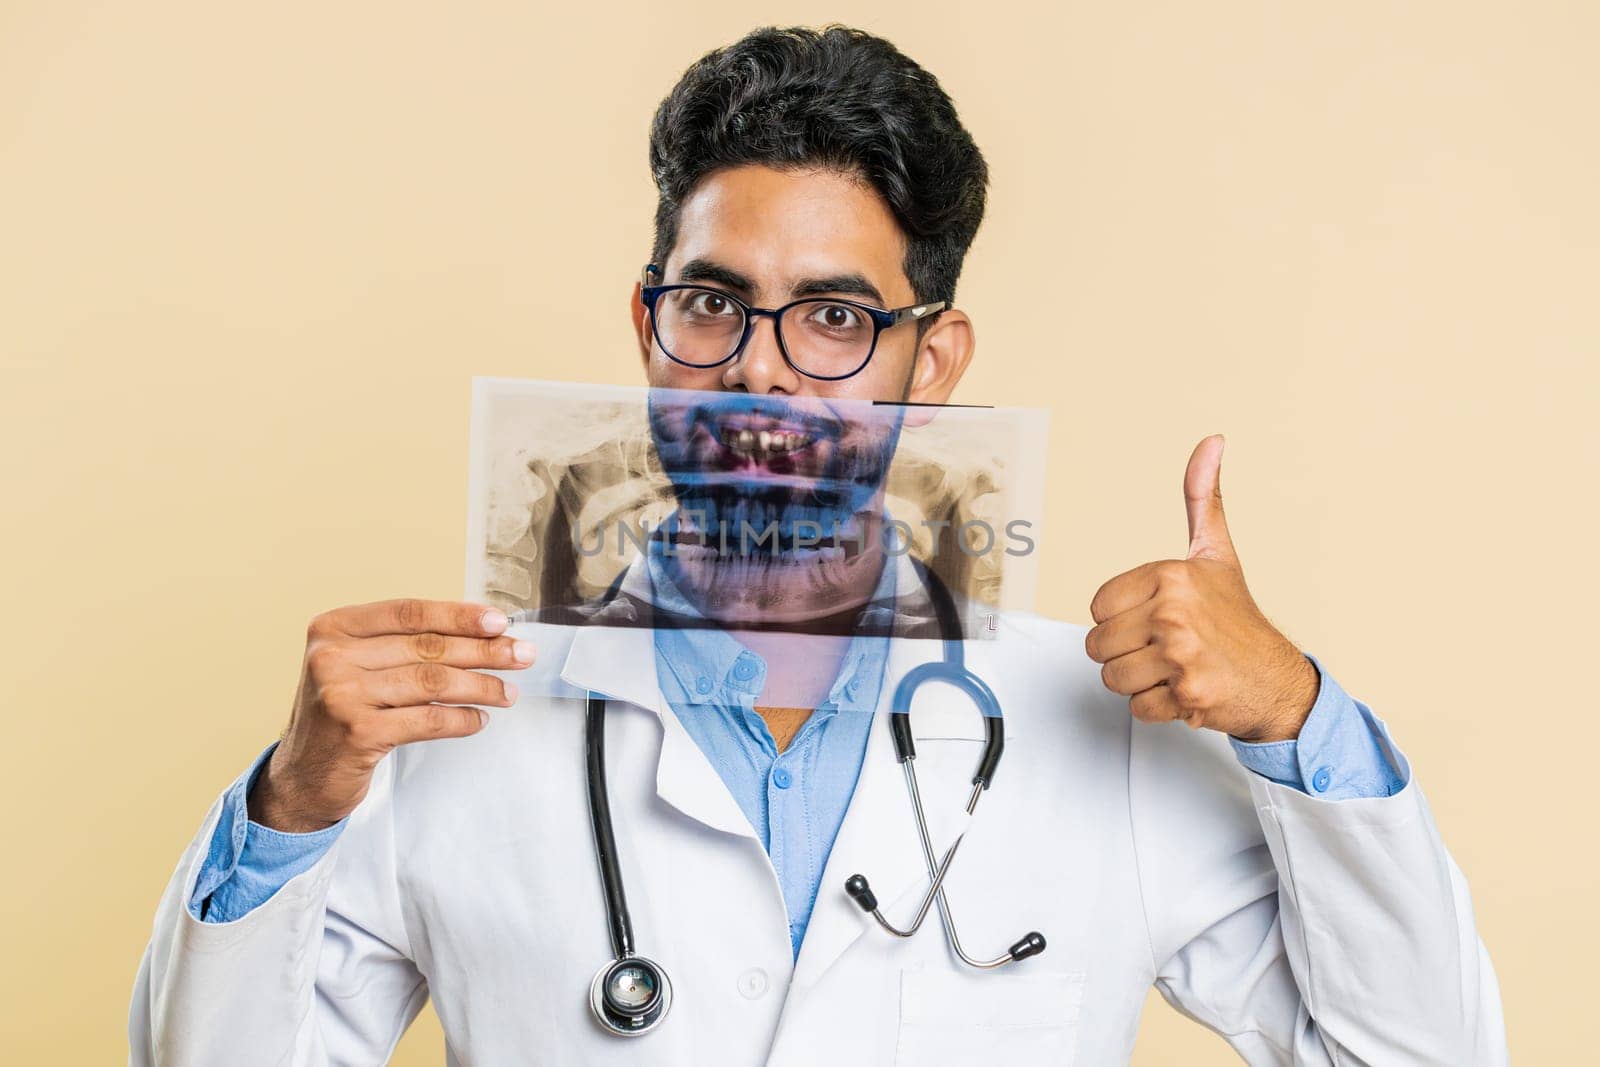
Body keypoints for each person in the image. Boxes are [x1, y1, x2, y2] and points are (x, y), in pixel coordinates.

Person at [129, 24, 1506, 1066]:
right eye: (715, 304)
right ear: (649, 325)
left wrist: (1295, 717)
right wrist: (295, 805)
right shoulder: (447, 723)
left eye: (838, 319)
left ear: (935, 356)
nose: (764, 377)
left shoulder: (1099, 726)